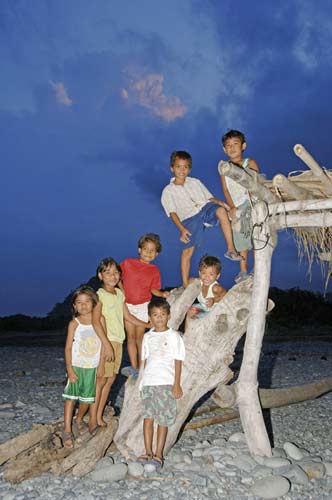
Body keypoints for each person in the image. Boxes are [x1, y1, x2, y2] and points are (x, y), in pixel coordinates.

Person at [161, 150, 242, 288]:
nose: (182, 170)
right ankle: (185, 283)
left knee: (221, 210)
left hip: (204, 208)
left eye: (185, 167)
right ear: (172, 168)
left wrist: (223, 204)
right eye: (178, 166)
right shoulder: (168, 191)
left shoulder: (195, 182)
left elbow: (209, 198)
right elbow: (172, 213)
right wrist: (182, 229)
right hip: (189, 218)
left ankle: (230, 248)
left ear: (189, 169)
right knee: (188, 251)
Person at [91, 257, 150, 429]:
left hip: (118, 343)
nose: (112, 276)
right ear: (100, 276)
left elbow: (128, 316)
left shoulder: (119, 295)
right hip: (105, 343)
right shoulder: (99, 296)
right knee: (100, 381)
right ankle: (93, 419)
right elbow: (95, 322)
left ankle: (100, 415)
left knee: (110, 381)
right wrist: (106, 345)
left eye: (116, 272)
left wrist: (147, 324)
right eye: (108, 272)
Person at [138, 297, 185, 468]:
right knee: (148, 418)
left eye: (162, 314)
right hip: (149, 383)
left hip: (166, 383)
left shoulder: (174, 336)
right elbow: (144, 360)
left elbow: (178, 360)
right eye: (155, 315)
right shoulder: (147, 337)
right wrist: (141, 382)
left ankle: (158, 453)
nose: (159, 318)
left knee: (163, 420)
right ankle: (147, 451)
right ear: (150, 317)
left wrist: (177, 383)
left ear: (169, 316)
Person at [120, 233, 169, 377]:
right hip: (127, 305)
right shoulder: (128, 263)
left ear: (157, 253)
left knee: (140, 337)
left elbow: (153, 289)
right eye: (146, 249)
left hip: (143, 305)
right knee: (131, 337)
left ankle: (142, 367)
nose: (148, 252)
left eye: (152, 250)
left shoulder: (154, 270)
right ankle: (134, 368)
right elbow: (116, 276)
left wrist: (162, 294)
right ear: (139, 249)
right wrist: (121, 291)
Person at [62, 286, 106, 447]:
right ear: (74, 306)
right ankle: (67, 429)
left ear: (94, 303)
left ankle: (79, 419)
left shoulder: (100, 320)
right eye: (79, 302)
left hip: (92, 367)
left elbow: (103, 344)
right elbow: (67, 348)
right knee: (70, 400)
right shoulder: (74, 323)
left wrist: (101, 365)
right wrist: (69, 369)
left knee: (87, 399)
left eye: (87, 301)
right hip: (76, 365)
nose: (83, 305)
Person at [219, 130, 259, 283]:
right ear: (224, 149)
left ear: (243, 146)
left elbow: (255, 184)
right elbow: (226, 190)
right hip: (236, 205)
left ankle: (257, 267)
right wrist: (232, 206)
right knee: (240, 236)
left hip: (251, 202)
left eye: (235, 144)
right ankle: (243, 270)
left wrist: (247, 203)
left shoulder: (250, 162)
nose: (232, 148)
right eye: (228, 145)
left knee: (255, 236)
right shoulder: (224, 168)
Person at [187, 255, 227, 320]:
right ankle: (187, 330)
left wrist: (214, 300)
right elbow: (188, 281)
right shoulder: (199, 283)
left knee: (196, 318)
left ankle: (196, 327)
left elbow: (227, 296)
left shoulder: (215, 288)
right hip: (204, 307)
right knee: (190, 311)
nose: (207, 277)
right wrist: (192, 280)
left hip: (215, 312)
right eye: (204, 273)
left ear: (217, 276)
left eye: (211, 274)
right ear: (199, 273)